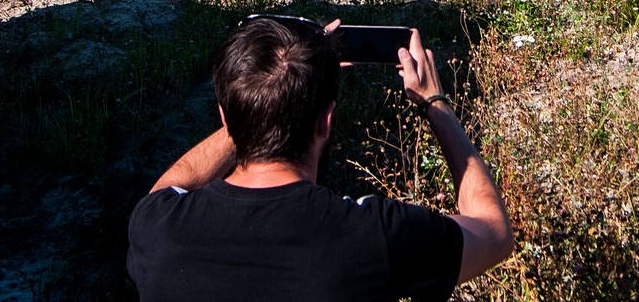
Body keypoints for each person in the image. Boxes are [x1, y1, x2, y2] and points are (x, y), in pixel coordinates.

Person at [127, 17, 514, 301]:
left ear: (226, 118)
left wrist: (257, 107)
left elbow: (169, 185)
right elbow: (493, 233)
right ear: (325, 121)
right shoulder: (373, 235)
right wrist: (434, 103)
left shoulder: (157, 229)